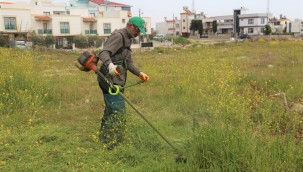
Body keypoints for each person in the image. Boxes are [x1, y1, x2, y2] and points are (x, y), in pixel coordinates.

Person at [97, 16, 150, 149]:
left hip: (118, 80)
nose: (138, 34)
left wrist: (139, 73)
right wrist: (110, 66)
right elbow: (103, 53)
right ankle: (113, 143)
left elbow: (129, 63)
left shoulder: (128, 39)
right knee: (118, 112)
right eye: (138, 30)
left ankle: (103, 138)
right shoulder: (119, 36)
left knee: (111, 110)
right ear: (131, 26)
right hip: (108, 79)